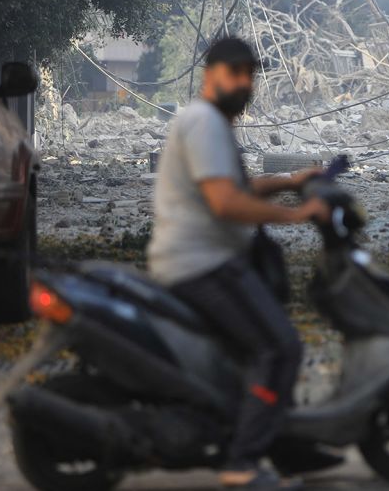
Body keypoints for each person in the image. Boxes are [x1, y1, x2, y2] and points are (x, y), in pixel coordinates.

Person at [147, 36, 328, 489]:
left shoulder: (209, 124)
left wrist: (293, 180)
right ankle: (241, 463)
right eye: (236, 73)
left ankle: (276, 442)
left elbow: (239, 185)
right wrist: (295, 215)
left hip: (205, 261)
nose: (245, 83)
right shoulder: (203, 123)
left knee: (255, 350)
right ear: (211, 74)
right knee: (279, 347)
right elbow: (226, 202)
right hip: (201, 265)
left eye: (250, 74)